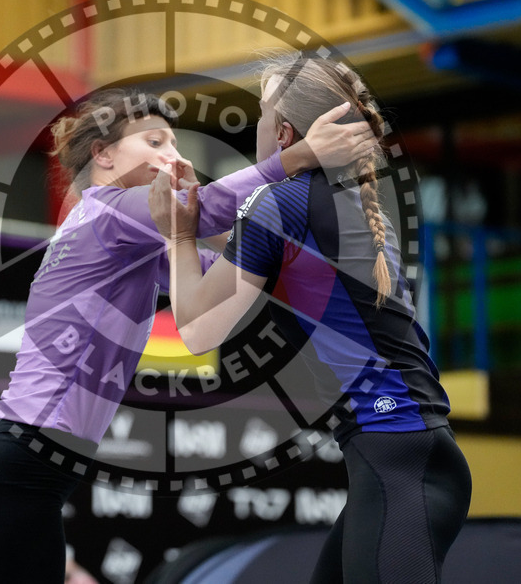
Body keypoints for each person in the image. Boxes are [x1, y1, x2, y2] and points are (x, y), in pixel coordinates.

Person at [0, 87, 372, 583]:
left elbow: (221, 277)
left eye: (174, 143)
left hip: (19, 468)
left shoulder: (121, 237)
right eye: (154, 141)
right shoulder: (109, 211)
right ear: (102, 155)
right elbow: (214, 210)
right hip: (19, 468)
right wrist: (300, 156)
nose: (172, 154)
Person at [149, 54, 473, 584]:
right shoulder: (347, 203)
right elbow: (242, 261)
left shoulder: (279, 204)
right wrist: (183, 236)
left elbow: (197, 329)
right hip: (410, 453)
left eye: (259, 112)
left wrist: (177, 235)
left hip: (396, 455)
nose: (254, 124)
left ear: (281, 132)